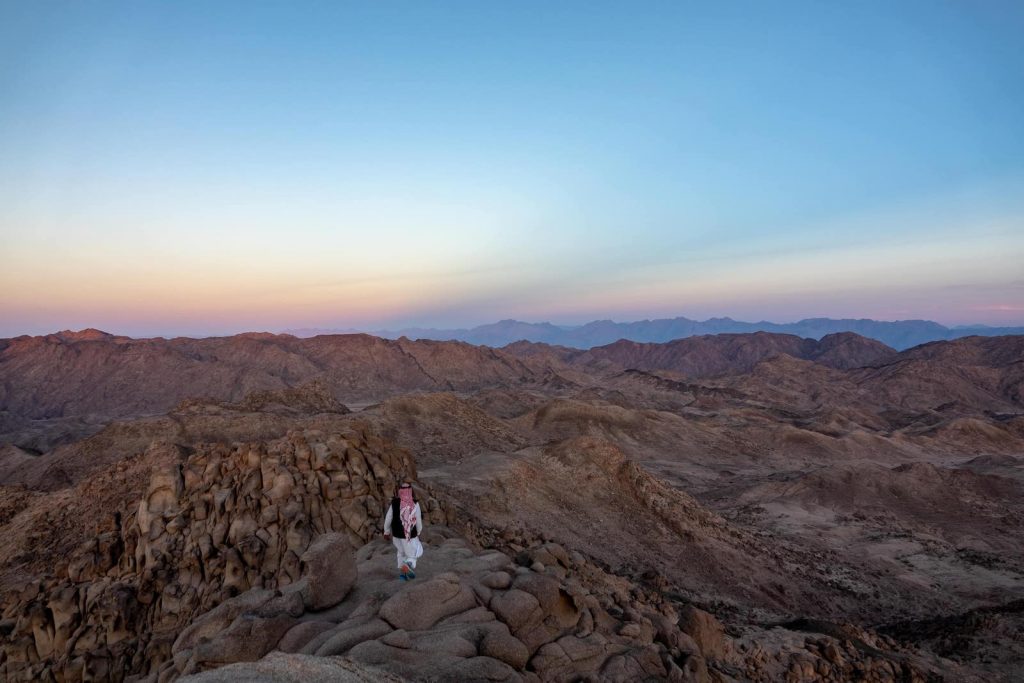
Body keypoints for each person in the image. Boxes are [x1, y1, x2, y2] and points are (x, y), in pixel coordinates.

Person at [383, 482, 423, 581]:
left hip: (396, 535)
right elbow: (418, 519)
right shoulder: (414, 503)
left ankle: (403, 575)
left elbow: (388, 518)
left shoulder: (394, 503)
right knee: (413, 554)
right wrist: (418, 531)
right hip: (409, 536)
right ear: (411, 491)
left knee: (401, 552)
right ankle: (407, 565)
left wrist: (386, 532)